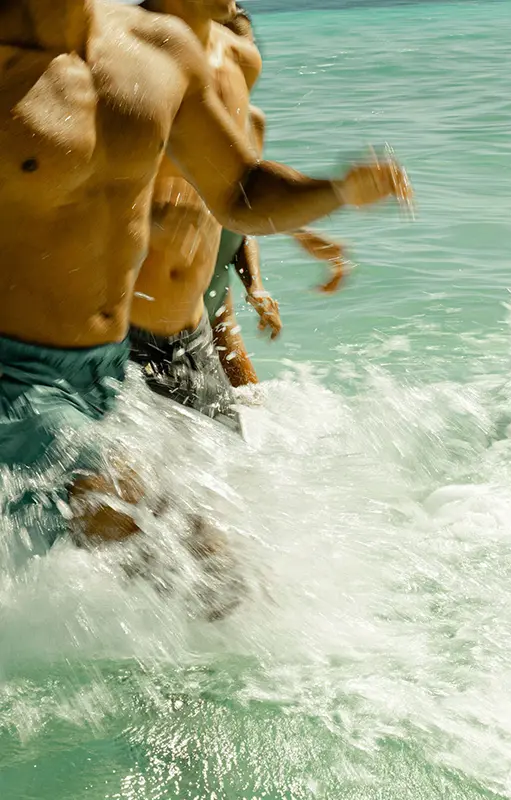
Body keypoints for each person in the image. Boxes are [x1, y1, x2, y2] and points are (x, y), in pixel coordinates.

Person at [0, 0, 412, 566]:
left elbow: (239, 189)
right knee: (189, 553)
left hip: (109, 376)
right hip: (13, 381)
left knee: (212, 557)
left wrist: (336, 191)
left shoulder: (159, 49)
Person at [131, 1, 360, 425]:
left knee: (240, 425)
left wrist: (299, 234)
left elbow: (238, 200)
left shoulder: (247, 121)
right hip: (146, 314)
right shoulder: (142, 77)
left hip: (201, 303)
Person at [204, 3, 352, 389]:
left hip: (218, 309)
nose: (247, 67)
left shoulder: (253, 122)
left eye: (251, 52)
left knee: (251, 415)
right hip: (166, 316)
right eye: (235, 55)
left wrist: (256, 283)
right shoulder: (179, 124)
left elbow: (240, 206)